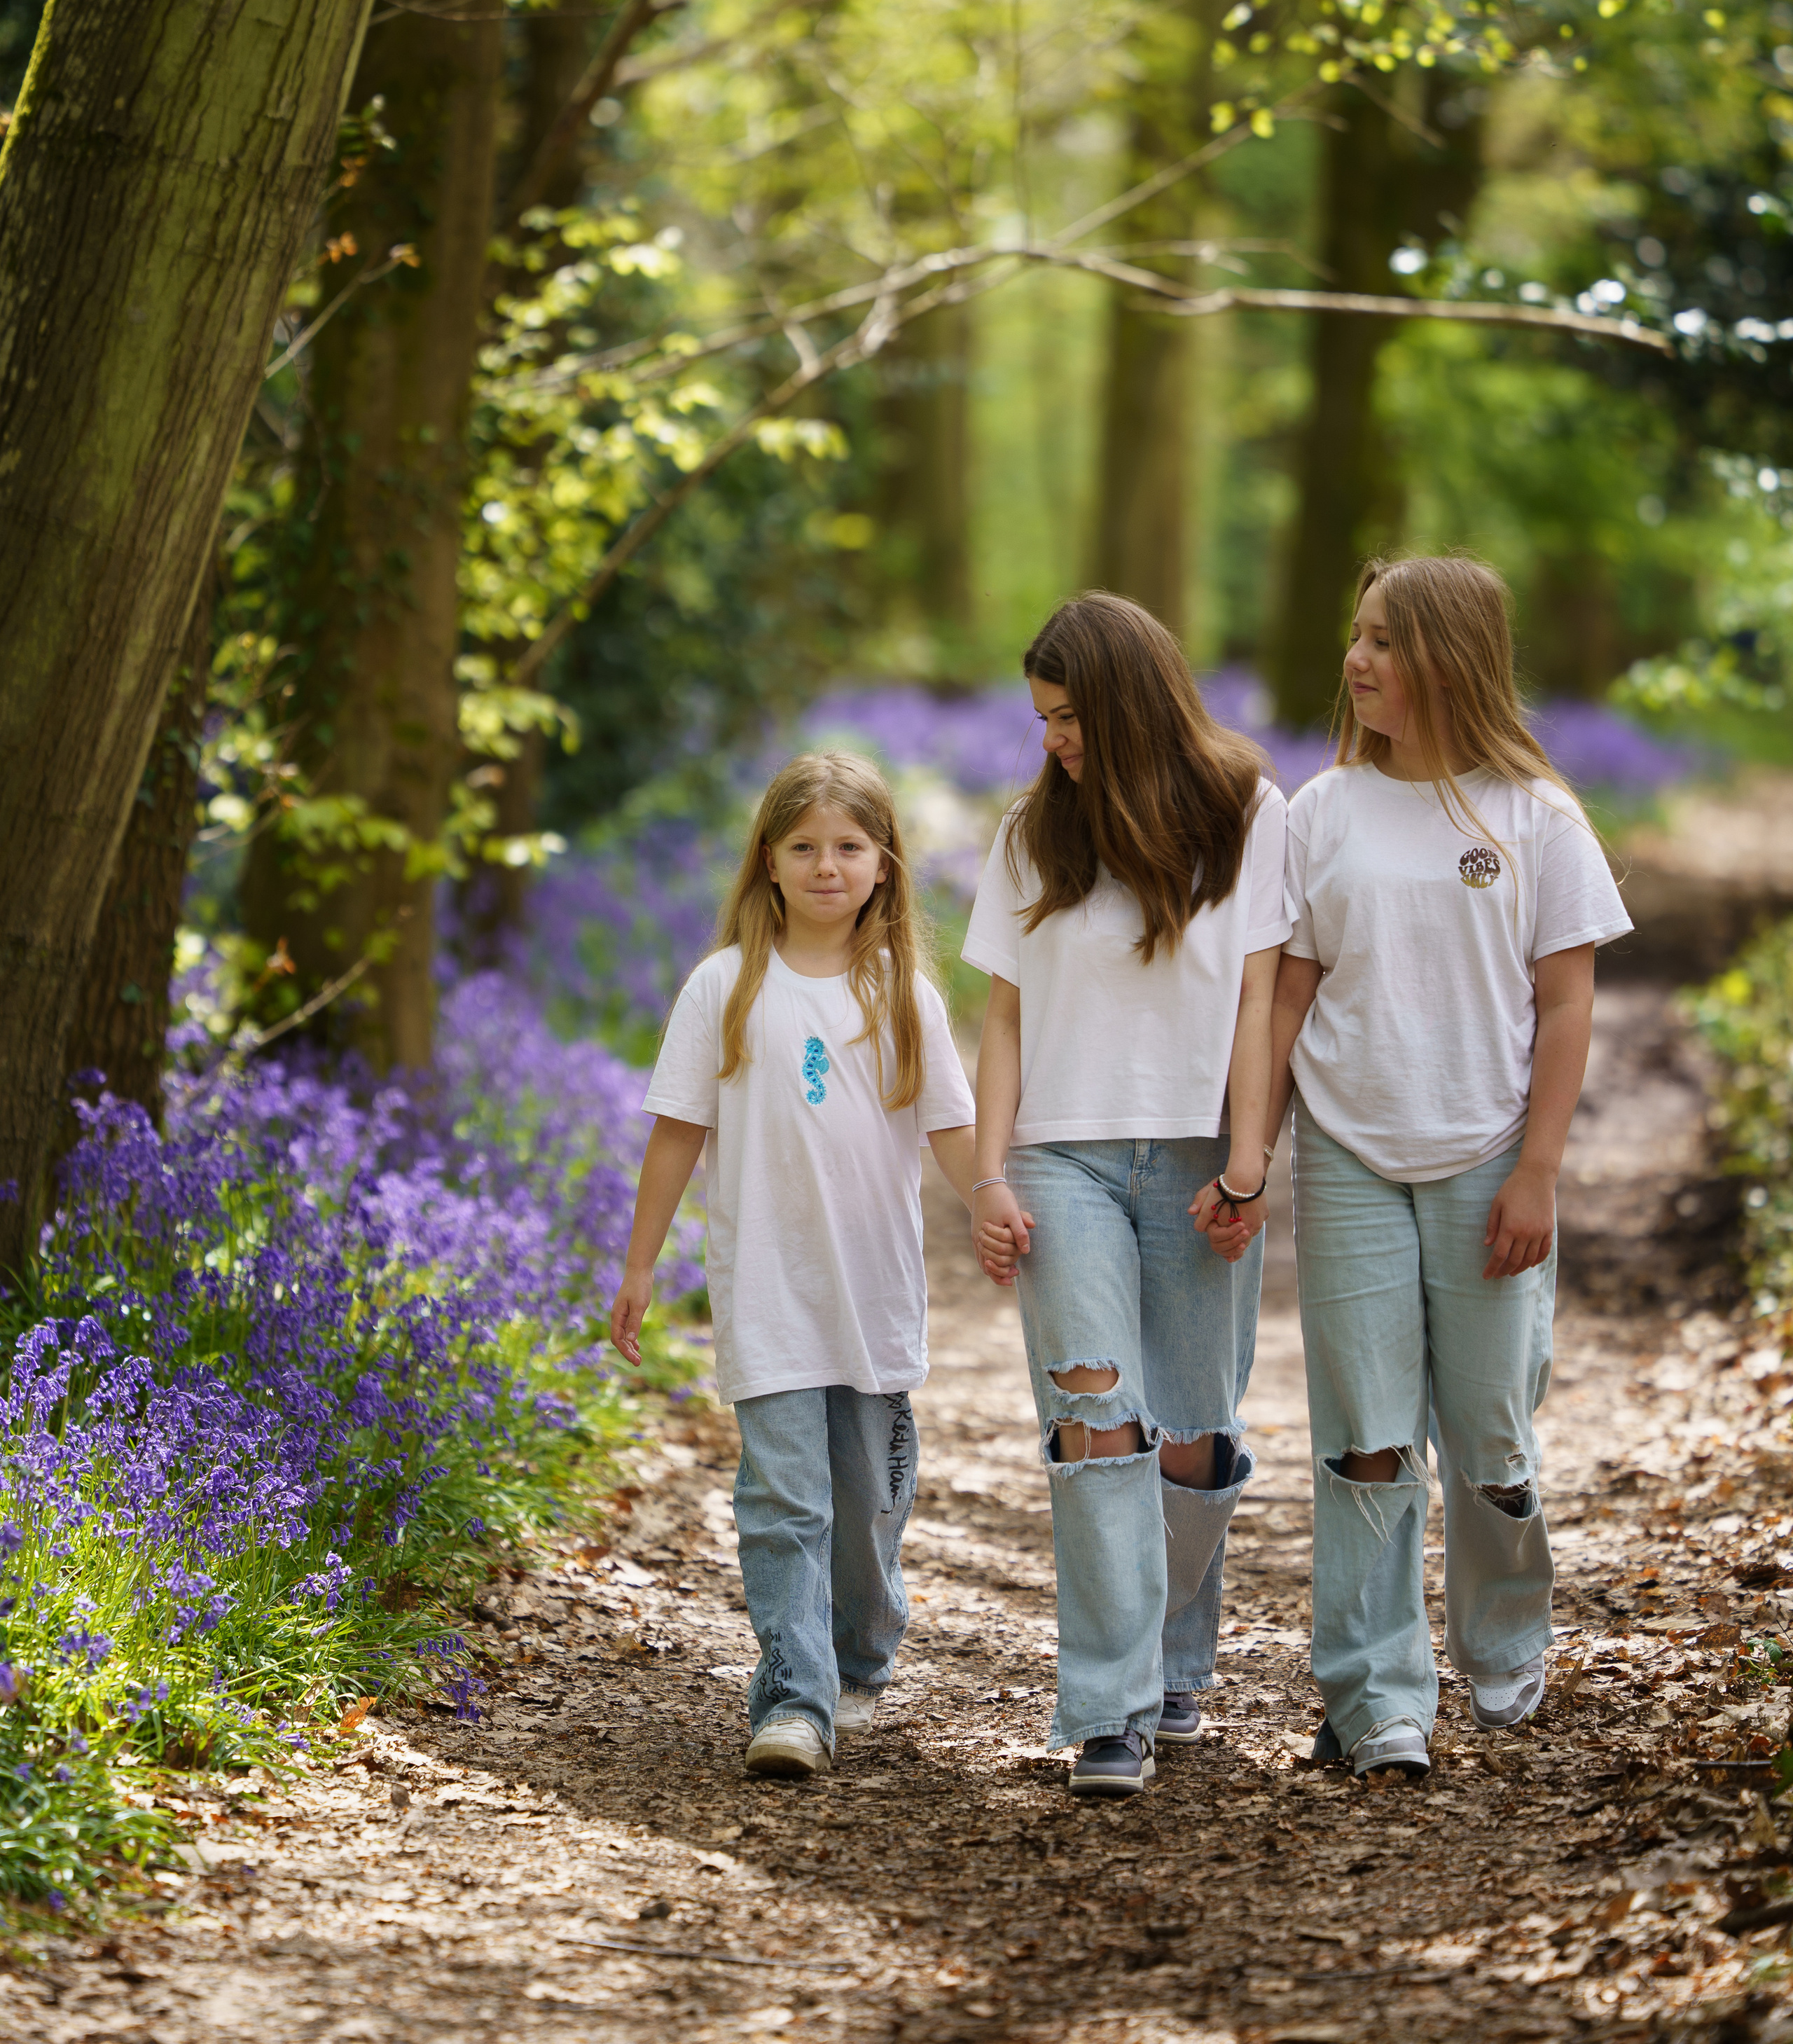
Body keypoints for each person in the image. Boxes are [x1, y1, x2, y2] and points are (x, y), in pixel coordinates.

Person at [1268, 554, 1633, 1781]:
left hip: (1489, 1157)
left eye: (1384, 639)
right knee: (1365, 1438)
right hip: (1349, 1152)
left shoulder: (1535, 818)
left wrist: (1540, 1169)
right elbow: (1289, 995)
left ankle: (1504, 1637)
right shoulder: (1320, 812)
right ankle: (1377, 1691)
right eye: (1356, 634)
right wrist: (1251, 1148)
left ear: (1447, 656)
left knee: (1489, 1433)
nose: (1357, 660)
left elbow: (1567, 1006)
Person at [967, 591, 1288, 1798]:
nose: (1053, 740)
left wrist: (1248, 1164)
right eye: (1044, 719)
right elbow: (1003, 1020)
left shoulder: (1250, 813)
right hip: (1064, 1159)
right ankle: (1112, 1704)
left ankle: (1176, 1661)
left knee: (1192, 1432)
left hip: (1202, 1157)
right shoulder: (1029, 837)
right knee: (1095, 1421)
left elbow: (1258, 1004)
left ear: (1129, 703)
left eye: (1070, 717)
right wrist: (989, 1172)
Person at [610, 751, 976, 1781]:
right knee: (784, 1501)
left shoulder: (903, 994)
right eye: (804, 846)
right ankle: (794, 1698)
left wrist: (997, 1203)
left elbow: (952, 1129)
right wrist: (640, 1266)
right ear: (768, 860)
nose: (826, 866)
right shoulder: (724, 987)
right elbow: (676, 1133)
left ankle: (862, 1652)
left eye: (849, 847)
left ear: (884, 864)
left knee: (866, 1507)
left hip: (872, 1299)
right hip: (768, 1292)